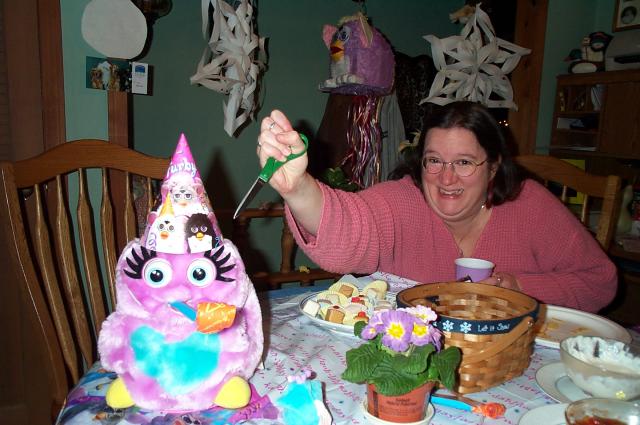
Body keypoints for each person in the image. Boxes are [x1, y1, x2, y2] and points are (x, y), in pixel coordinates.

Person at [255, 101, 617, 313]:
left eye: (464, 162)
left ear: (493, 167)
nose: (446, 178)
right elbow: (350, 231)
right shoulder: (404, 201)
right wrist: (298, 188)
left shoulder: (531, 206)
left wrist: (520, 288)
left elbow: (599, 281)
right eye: (434, 160)